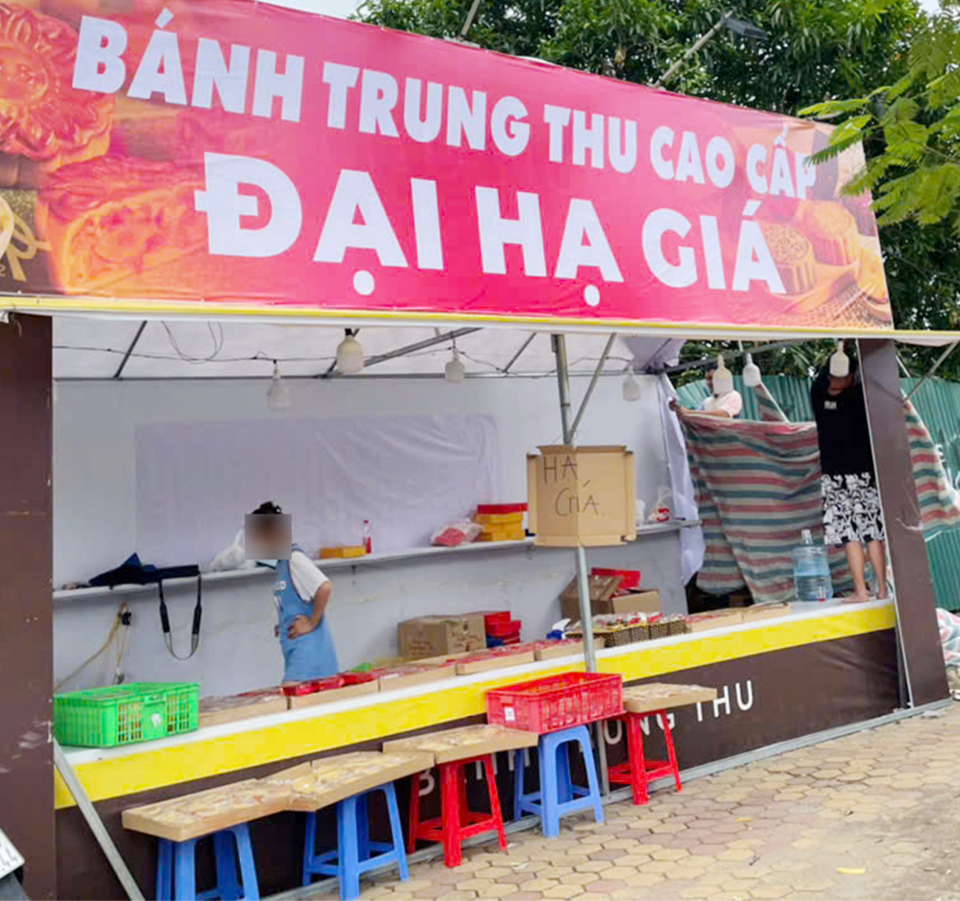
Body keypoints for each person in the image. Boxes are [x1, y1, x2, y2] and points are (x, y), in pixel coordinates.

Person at [810, 359, 888, 604]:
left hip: (836, 477)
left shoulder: (819, 398)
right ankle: (882, 590)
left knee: (850, 535)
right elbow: (870, 378)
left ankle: (861, 591)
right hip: (865, 474)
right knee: (873, 533)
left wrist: (837, 356)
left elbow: (818, 383)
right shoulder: (860, 397)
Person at [247, 501, 338, 683]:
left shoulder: (294, 559)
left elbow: (324, 587)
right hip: (294, 649)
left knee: (290, 698)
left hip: (309, 655)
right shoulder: (280, 564)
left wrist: (312, 622)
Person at [669, 365, 743, 418]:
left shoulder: (733, 395)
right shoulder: (707, 402)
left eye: (712, 378)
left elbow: (723, 415)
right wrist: (678, 410)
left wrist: (687, 412)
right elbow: (694, 417)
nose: (708, 382)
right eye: (707, 379)